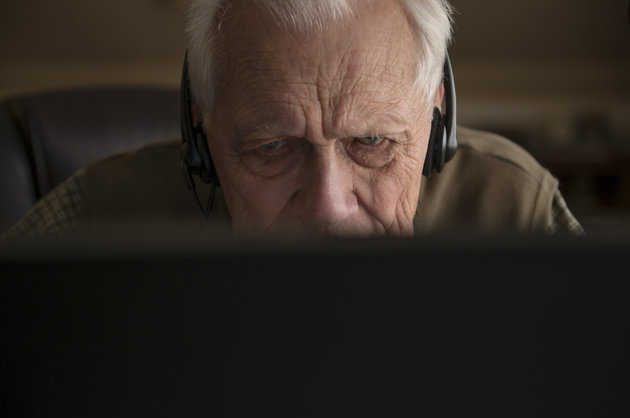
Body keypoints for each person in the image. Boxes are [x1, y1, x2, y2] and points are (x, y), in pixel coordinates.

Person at [4, 0, 584, 239]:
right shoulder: (92, 220)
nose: (329, 209)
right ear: (200, 132)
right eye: (273, 147)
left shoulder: (518, 209)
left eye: (373, 141)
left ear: (436, 114)